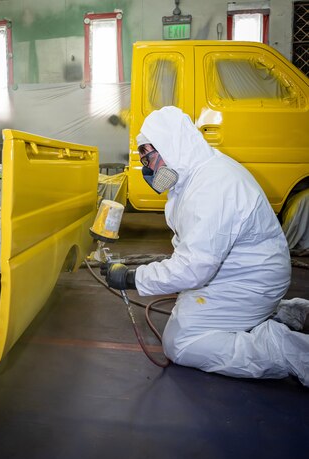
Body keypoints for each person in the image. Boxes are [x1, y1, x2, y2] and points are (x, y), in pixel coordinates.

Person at [102, 106, 309, 387]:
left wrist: (132, 278)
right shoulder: (195, 174)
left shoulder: (212, 186)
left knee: (181, 342)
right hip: (239, 271)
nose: (147, 167)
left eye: (148, 156)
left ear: (171, 145)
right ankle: (282, 312)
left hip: (249, 279)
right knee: (186, 310)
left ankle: (286, 350)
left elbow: (193, 268)